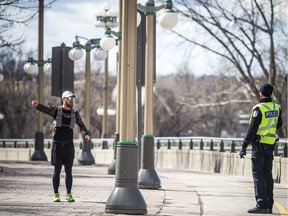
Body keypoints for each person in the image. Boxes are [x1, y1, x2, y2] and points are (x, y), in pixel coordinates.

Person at [31, 91, 91, 202]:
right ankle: (56, 194)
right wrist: (37, 105)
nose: (72, 101)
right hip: (57, 145)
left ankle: (69, 194)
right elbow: (46, 109)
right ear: (64, 99)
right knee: (57, 170)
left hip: (69, 145)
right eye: (70, 99)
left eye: (73, 99)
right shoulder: (57, 111)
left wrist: (86, 133)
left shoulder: (75, 113)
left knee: (69, 171)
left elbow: (81, 125)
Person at [239, 83, 282, 214]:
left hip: (259, 146)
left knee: (258, 175)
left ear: (261, 93)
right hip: (270, 145)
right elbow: (279, 124)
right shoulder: (276, 107)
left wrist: (244, 145)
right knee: (268, 175)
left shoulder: (259, 109)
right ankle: (269, 206)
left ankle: (261, 204)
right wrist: (269, 131)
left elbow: (252, 129)